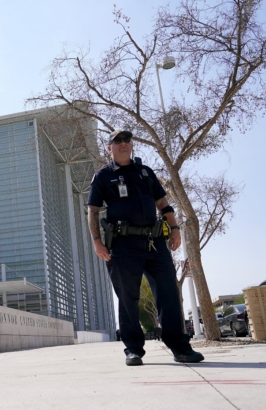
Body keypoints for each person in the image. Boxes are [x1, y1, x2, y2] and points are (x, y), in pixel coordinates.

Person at [87, 129, 204, 366]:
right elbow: (93, 210)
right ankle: (133, 349)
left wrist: (175, 228)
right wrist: (97, 241)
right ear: (109, 148)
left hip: (154, 242)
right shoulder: (103, 176)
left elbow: (162, 202)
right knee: (128, 297)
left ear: (131, 145)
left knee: (169, 293)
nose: (123, 144)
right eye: (117, 141)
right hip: (123, 243)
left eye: (126, 140)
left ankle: (180, 347)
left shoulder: (145, 172)